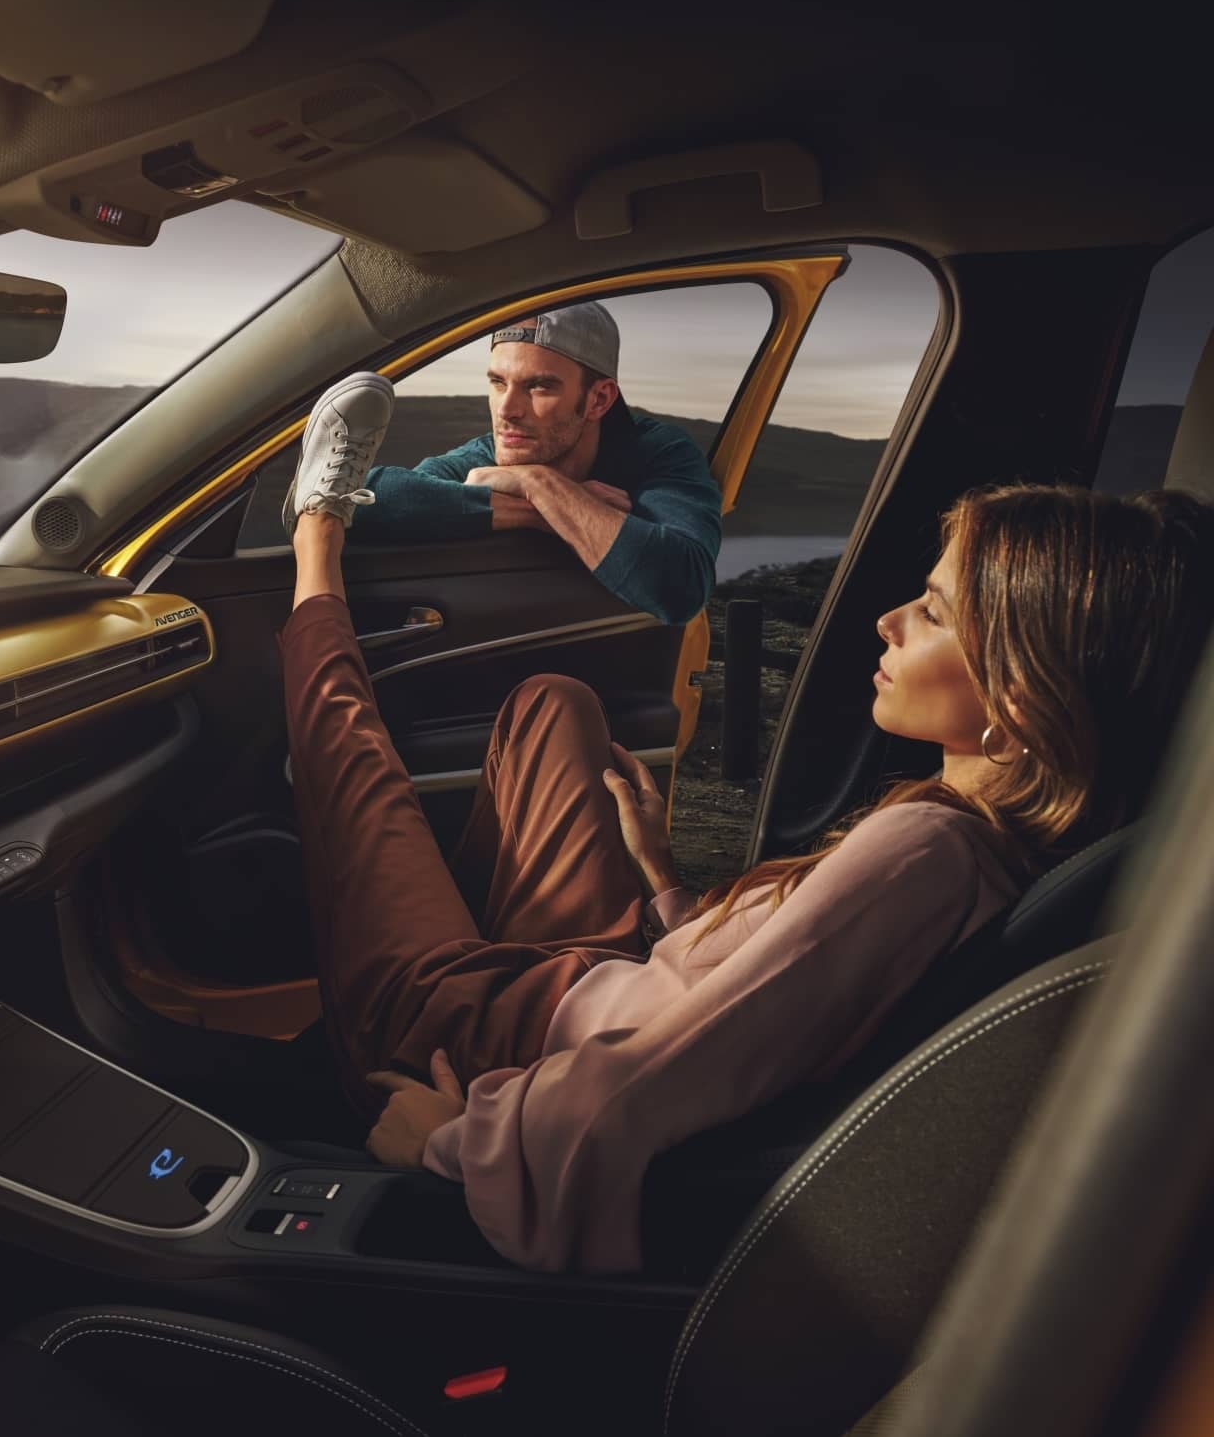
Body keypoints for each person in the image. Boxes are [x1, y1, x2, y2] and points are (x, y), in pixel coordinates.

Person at [277, 371, 1214, 1272]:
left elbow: (638, 1091)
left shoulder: (925, 850)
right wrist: (668, 882)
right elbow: (771, 1005)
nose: (887, 621)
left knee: (358, 780)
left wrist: (448, 1141)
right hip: (601, 979)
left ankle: (314, 538)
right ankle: (468, 951)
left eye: (931, 612)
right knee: (553, 703)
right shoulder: (974, 842)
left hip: (502, 1046)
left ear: (1016, 701)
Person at [338, 304, 722, 623]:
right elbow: (363, 497)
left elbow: (679, 586)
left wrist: (540, 482)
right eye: (498, 382)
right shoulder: (492, 452)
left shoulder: (658, 451)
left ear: (599, 400)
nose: (507, 410)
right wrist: (541, 511)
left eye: (538, 387)